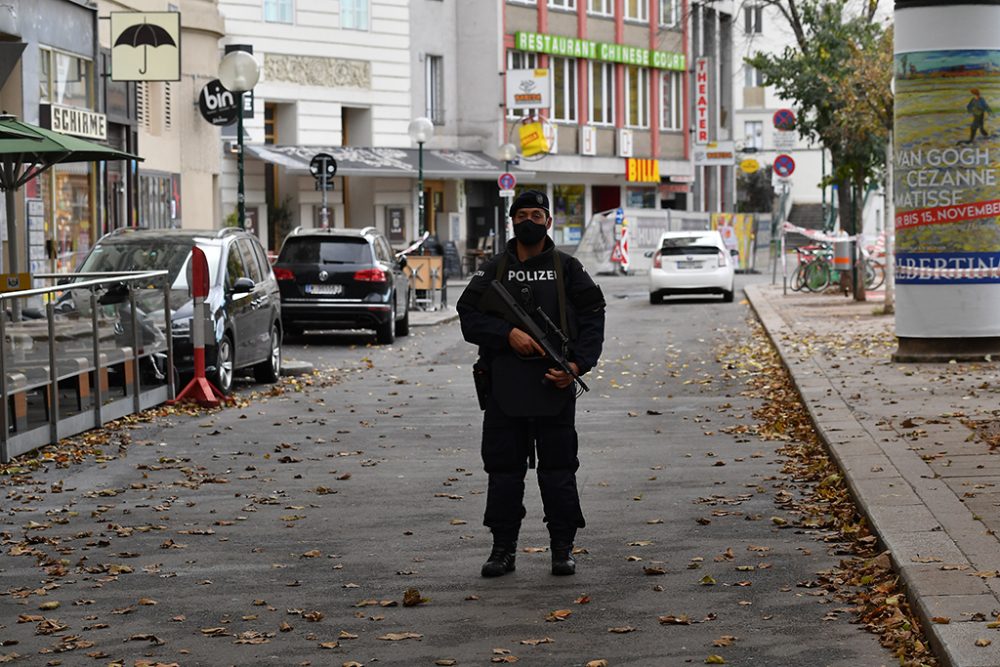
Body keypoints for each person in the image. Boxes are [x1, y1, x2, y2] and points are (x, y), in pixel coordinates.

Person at [457, 189, 605, 578]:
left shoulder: (567, 268)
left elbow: (593, 316)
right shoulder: (493, 270)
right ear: (511, 221)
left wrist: (576, 365)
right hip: (505, 390)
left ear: (548, 221)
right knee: (504, 473)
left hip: (554, 386)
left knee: (558, 472)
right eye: (522, 215)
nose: (529, 222)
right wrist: (506, 334)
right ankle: (502, 549)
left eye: (537, 215)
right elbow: (467, 315)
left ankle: (562, 549)